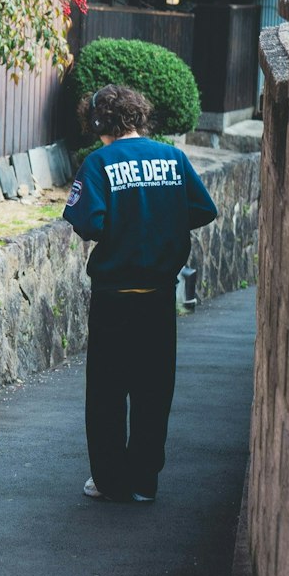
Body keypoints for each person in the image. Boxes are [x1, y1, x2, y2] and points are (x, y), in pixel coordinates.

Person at [62, 83, 217, 504]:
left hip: (114, 297)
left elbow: (88, 223)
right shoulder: (173, 157)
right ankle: (144, 481)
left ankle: (109, 480)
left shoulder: (99, 163)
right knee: (153, 391)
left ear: (98, 122)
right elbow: (204, 209)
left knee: (108, 394)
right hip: (159, 298)